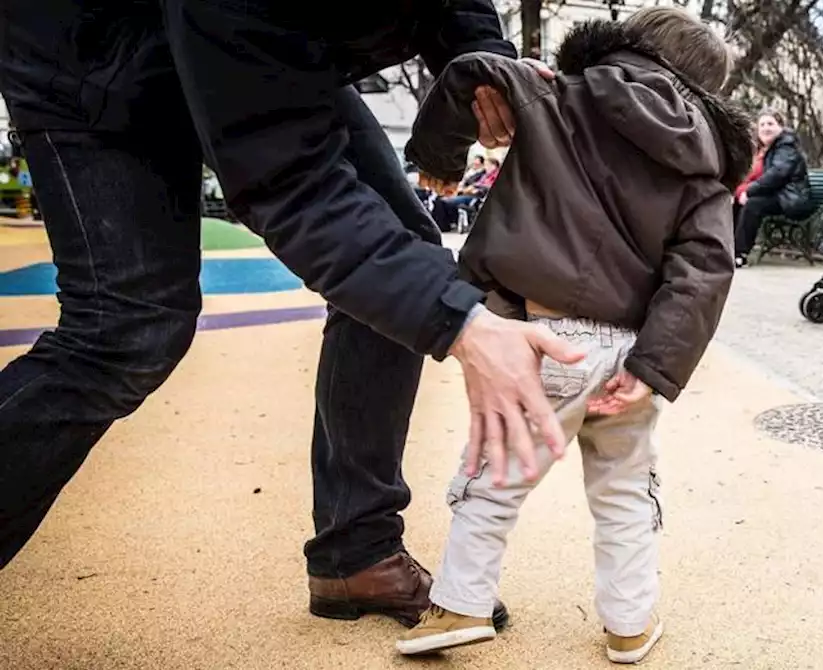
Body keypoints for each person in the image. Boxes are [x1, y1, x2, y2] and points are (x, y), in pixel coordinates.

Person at [0, 0, 581, 633]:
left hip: (255, 51)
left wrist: (481, 64)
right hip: (88, 52)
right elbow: (288, 180)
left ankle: (356, 552)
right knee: (126, 323)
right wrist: (463, 324)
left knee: (401, 247)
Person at [396, 8, 754, 663]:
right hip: (626, 351)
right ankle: (629, 624)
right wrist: (654, 368)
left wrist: (439, 156)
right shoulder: (704, 166)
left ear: (628, 43)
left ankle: (459, 604)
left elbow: (470, 69)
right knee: (625, 490)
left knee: (494, 474)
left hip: (537, 337)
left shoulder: (559, 94)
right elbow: (703, 271)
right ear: (707, 89)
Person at [732, 111, 812, 267]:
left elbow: (778, 174)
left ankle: (740, 254)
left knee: (752, 204)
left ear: (780, 127)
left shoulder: (786, 146)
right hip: (778, 195)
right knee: (736, 201)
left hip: (791, 200)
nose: (766, 128)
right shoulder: (769, 147)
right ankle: (728, 249)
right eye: (762, 125)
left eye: (770, 124)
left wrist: (749, 191)